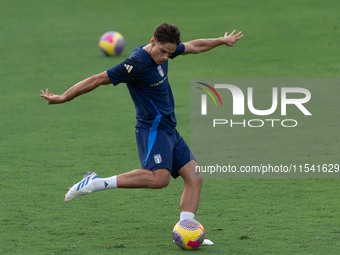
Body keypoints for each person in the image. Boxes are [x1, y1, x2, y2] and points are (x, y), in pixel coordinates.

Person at [40, 23, 243, 224]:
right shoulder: (137, 64)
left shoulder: (166, 50)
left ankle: (186, 228)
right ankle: (95, 183)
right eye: (163, 52)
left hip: (169, 128)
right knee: (159, 179)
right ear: (153, 41)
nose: (165, 57)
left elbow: (194, 46)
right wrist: (64, 97)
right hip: (152, 127)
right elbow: (97, 79)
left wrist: (221, 41)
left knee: (194, 177)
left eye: (169, 53)